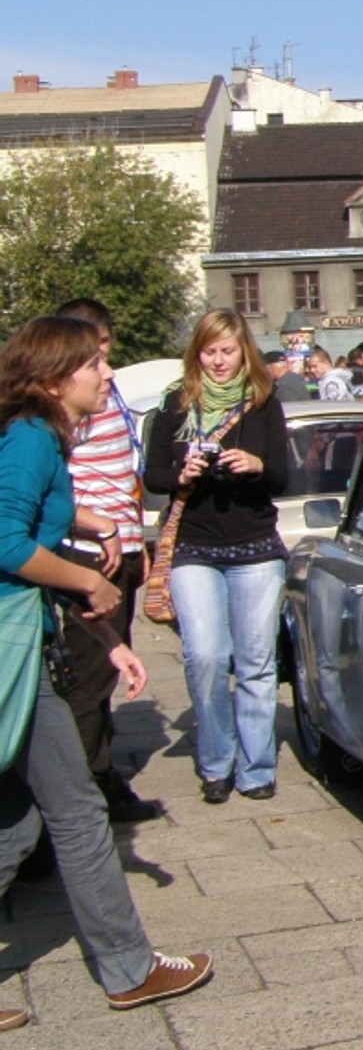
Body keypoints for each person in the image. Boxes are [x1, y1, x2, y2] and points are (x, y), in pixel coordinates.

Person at [0, 316, 214, 1027]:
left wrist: (104, 629)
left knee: (21, 821)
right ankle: (129, 967)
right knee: (74, 813)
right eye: (95, 364)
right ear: (58, 376)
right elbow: (5, 544)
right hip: (13, 650)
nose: (106, 375)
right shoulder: (31, 440)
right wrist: (94, 586)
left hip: (31, 640)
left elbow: (30, 531)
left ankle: (129, 966)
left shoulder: (40, 440)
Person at [144, 310, 290, 806]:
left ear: (243, 350)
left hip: (254, 545)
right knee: (205, 656)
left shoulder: (264, 402)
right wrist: (182, 475)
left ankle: (256, 767)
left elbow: (283, 477)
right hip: (194, 546)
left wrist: (256, 464)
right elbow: (153, 475)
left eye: (227, 351)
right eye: (210, 351)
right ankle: (215, 761)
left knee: (255, 662)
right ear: (197, 353)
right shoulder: (175, 403)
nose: (219, 361)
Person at [51, 299, 160, 824]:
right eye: (94, 351)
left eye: (106, 345)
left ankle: (97, 774)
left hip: (125, 547)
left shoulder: (107, 393)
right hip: (90, 553)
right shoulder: (61, 411)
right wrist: (96, 525)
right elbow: (53, 492)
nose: (105, 361)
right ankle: (84, 790)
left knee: (109, 668)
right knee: (88, 675)